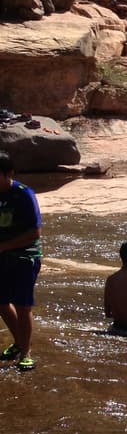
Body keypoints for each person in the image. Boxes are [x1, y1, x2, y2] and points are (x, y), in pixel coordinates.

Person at [0, 152, 41, 372]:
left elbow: (35, 232)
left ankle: (26, 353)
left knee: (23, 306)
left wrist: (4, 247)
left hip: (25, 257)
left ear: (9, 174)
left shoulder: (23, 194)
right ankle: (19, 342)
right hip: (2, 256)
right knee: (1, 302)